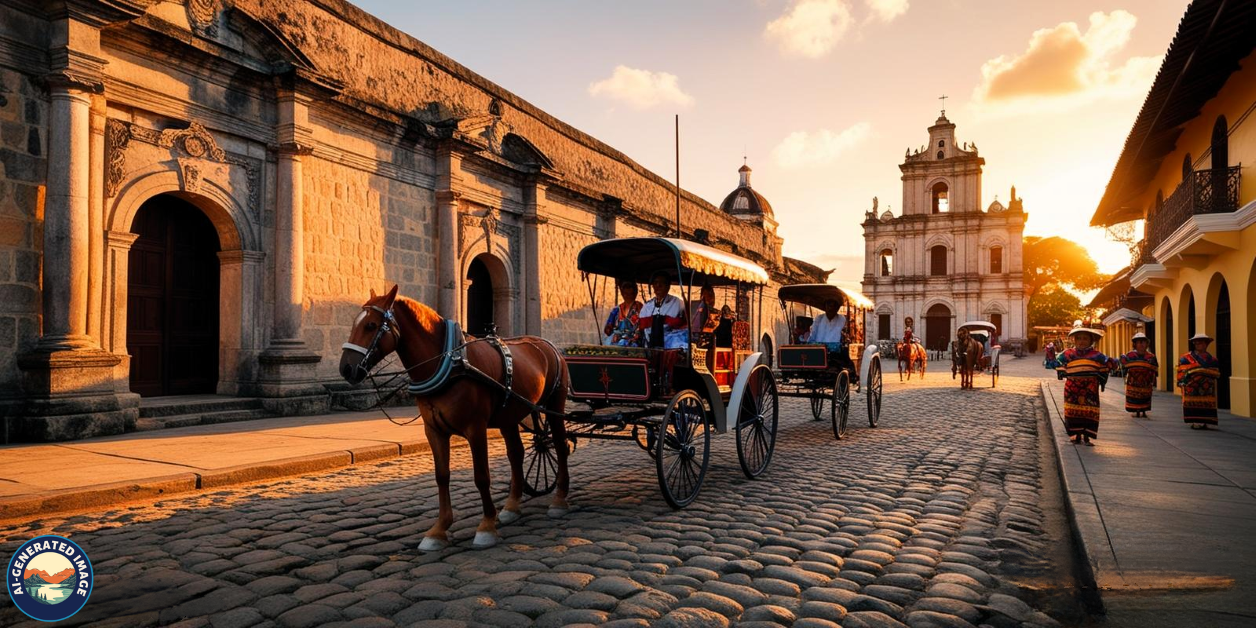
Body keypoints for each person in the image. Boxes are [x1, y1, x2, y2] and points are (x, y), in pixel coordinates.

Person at [1056, 327, 1111, 446]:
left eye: (1085, 339)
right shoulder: (1067, 354)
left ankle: (1087, 437)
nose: (1081, 341)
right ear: (1074, 341)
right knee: (1072, 410)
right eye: (1079, 338)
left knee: (1089, 411)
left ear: (1091, 341)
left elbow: (1109, 363)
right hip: (1072, 389)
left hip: (1090, 389)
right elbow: (1056, 362)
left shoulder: (1097, 355)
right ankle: (1076, 436)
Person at [1177, 333, 1222, 430]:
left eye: (1201, 343)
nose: (1198, 345)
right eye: (1196, 343)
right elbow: (1182, 370)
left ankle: (1206, 421)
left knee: (1208, 403)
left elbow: (1216, 372)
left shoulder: (1213, 360)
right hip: (1192, 387)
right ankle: (1195, 421)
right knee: (1193, 403)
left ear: (1206, 344)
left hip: (1208, 389)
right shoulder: (1186, 358)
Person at [638, 270, 688, 350]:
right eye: (656, 283)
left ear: (668, 285)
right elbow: (642, 326)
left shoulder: (678, 303)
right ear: (653, 286)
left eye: (662, 282)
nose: (658, 285)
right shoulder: (647, 306)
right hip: (650, 343)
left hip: (671, 341)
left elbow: (685, 325)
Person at [1119, 332, 1157, 418]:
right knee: (1134, 397)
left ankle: (1143, 411)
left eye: (1143, 342)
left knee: (1145, 396)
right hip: (1133, 381)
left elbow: (1155, 368)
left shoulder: (1151, 356)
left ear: (1147, 344)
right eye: (1139, 342)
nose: (1141, 344)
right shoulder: (1130, 355)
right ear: (1135, 344)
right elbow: (1124, 366)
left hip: (1146, 382)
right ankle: (1136, 410)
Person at [603, 278, 642, 346]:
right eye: (624, 288)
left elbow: (641, 329)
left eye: (630, 287)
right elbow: (608, 329)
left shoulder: (640, 308)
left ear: (635, 291)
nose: (627, 292)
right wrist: (609, 328)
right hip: (616, 341)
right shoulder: (616, 310)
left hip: (632, 343)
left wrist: (631, 337)